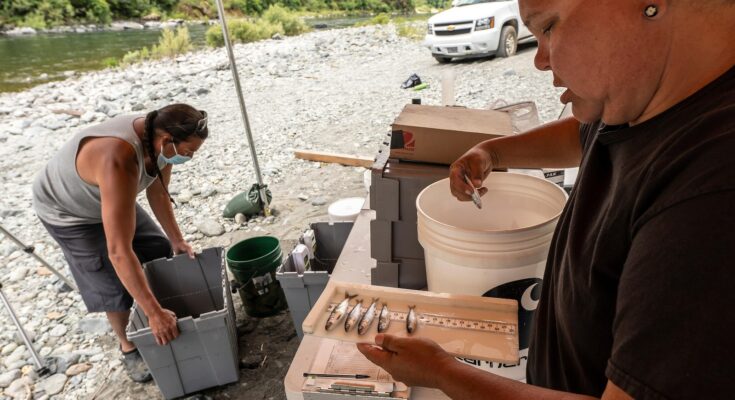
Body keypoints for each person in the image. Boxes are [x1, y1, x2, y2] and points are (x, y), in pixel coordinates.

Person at [358, 0, 735, 398]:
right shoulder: (645, 99)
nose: (539, 60)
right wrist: (495, 152)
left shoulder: (710, 198)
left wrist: (442, 373)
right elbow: (585, 134)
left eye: (549, 26)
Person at [32, 104, 209, 382]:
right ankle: (128, 345)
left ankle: (155, 308)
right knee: (110, 282)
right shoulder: (119, 158)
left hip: (107, 195)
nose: (190, 157)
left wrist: (177, 239)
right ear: (166, 141)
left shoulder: (160, 144)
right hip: (68, 211)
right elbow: (118, 252)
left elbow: (159, 194)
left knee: (157, 248)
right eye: (189, 151)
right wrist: (154, 314)